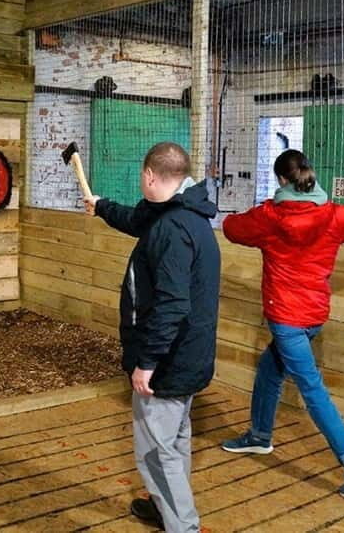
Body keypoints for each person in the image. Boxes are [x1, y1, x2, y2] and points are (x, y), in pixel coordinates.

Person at [220, 149, 344, 499]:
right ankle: (259, 436)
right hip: (314, 316)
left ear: (282, 180)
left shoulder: (270, 217)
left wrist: (250, 212)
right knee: (270, 371)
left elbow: (230, 229)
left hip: (287, 319)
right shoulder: (333, 215)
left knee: (313, 390)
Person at [84, 141, 221, 532]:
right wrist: (102, 206)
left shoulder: (171, 229)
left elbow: (172, 305)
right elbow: (138, 219)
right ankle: (166, 509)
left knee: (157, 454)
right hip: (188, 357)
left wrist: (147, 362)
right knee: (174, 442)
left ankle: (183, 527)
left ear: (148, 176)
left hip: (168, 361)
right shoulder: (185, 211)